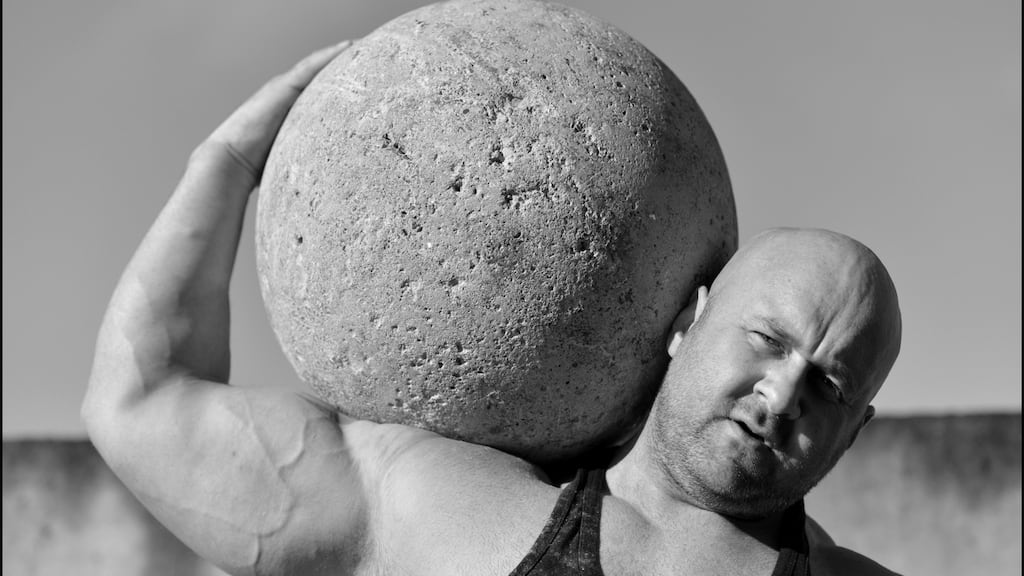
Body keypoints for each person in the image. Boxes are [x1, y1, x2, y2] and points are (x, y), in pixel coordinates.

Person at [82, 43, 903, 576]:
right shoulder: (441, 510)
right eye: (766, 339)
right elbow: (143, 404)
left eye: (829, 385)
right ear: (689, 319)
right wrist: (225, 162)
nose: (783, 392)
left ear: (854, 430)